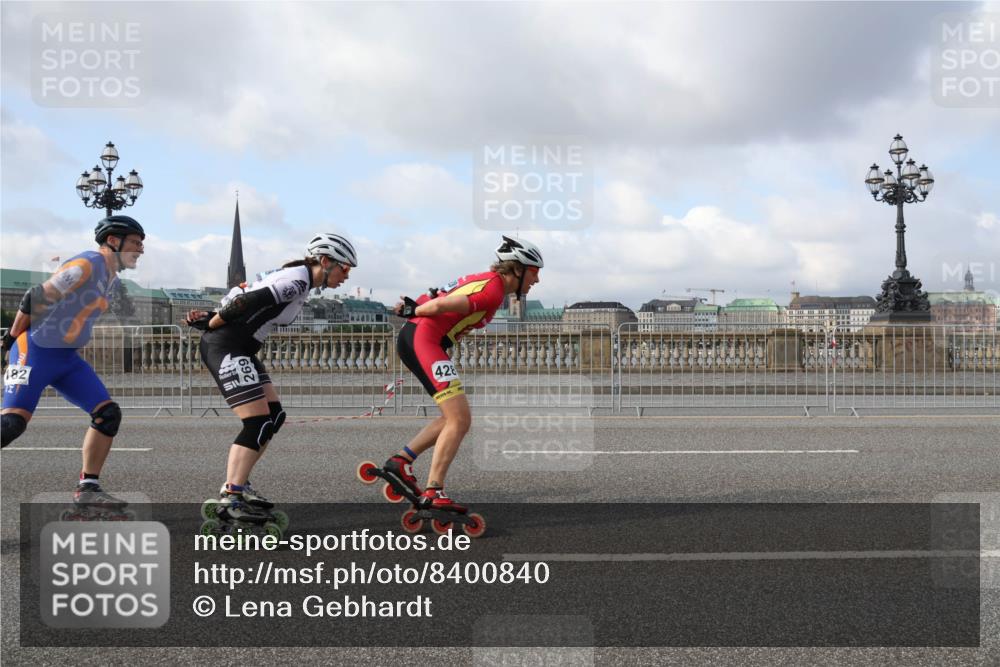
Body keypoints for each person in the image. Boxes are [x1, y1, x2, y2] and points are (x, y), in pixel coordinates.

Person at [186, 233, 356, 525]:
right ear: (326, 261)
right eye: (345, 269)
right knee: (257, 422)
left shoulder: (300, 279)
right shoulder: (299, 281)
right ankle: (232, 496)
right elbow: (245, 302)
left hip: (239, 346)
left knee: (274, 416)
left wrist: (212, 315)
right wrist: (212, 322)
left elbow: (244, 296)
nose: (346, 276)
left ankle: (240, 485)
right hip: (226, 345)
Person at [380, 235, 543, 513]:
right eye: (534, 273)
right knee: (460, 419)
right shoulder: (492, 290)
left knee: (451, 418)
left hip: (421, 338)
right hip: (425, 341)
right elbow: (441, 305)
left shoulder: (484, 280)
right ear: (517, 269)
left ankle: (401, 461)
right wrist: (414, 310)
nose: (536, 280)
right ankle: (434, 490)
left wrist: (413, 306)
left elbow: (437, 294)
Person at [1, 215, 145, 508]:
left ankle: (88, 489)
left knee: (108, 415)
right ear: (113, 241)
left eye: (142, 244)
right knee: (12, 424)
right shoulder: (87, 263)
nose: (140, 249)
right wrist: (10, 341)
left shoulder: (110, 277)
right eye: (135, 242)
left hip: (66, 358)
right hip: (36, 350)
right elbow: (35, 297)